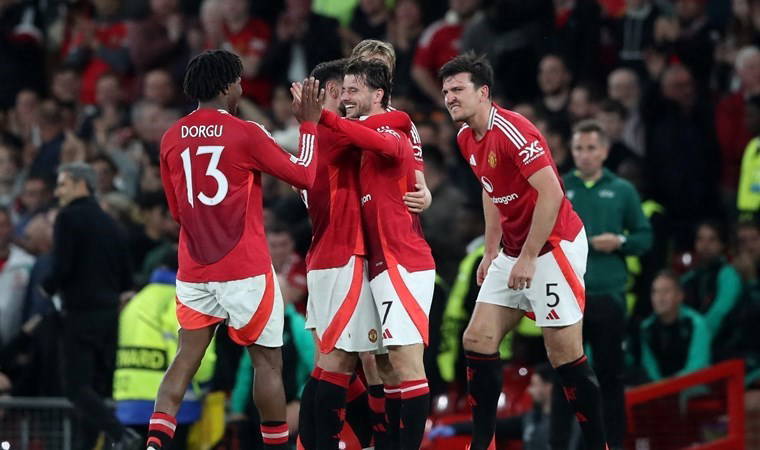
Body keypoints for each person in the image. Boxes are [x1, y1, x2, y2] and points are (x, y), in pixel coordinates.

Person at [150, 49, 323, 450]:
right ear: (228, 86)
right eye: (240, 83)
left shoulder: (171, 137)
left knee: (185, 359)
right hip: (245, 269)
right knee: (268, 363)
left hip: (194, 269)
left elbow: (177, 211)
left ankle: (154, 444)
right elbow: (305, 176)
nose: (242, 89)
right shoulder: (246, 133)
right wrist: (309, 126)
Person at [439, 53, 608, 450]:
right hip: (514, 249)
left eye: (458, 89)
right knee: (477, 339)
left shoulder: (514, 131)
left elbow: (551, 193)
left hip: (553, 244)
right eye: (445, 91)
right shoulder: (465, 138)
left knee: (564, 356)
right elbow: (491, 189)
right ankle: (483, 443)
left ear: (483, 92)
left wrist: (529, 256)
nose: (449, 98)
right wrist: (491, 250)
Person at [313, 59, 436, 450]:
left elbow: (391, 143)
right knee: (385, 363)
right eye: (343, 90)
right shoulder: (361, 136)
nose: (346, 97)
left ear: (378, 94)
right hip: (378, 262)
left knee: (405, 362)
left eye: (353, 90)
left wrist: (323, 116)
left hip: (403, 258)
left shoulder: (391, 126)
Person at [561, 120, 653, 449]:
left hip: (608, 293)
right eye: (578, 148)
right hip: (567, 295)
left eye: (591, 148)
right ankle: (563, 443)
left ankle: (612, 443)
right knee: (566, 375)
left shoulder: (623, 190)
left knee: (610, 375)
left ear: (604, 151)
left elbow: (644, 237)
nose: (584, 155)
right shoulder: (559, 186)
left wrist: (620, 242)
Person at [41, 162, 138, 449]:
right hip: (109, 319)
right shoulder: (112, 223)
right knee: (95, 390)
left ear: (80, 184)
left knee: (76, 388)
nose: (57, 192)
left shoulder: (68, 218)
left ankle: (121, 435)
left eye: (62, 184)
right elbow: (126, 278)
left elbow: (62, 266)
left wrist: (46, 287)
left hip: (80, 316)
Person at [429, 363, 564, 450]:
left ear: (549, 387)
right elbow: (495, 425)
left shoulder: (569, 423)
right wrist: (455, 428)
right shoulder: (530, 419)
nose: (529, 390)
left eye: (534, 385)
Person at [639, 271, 711, 382]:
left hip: (695, 386)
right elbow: (650, 370)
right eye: (655, 292)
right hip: (660, 389)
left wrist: (669, 385)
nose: (660, 298)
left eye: (666, 291)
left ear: (680, 296)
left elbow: (697, 368)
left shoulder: (696, 323)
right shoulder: (646, 329)